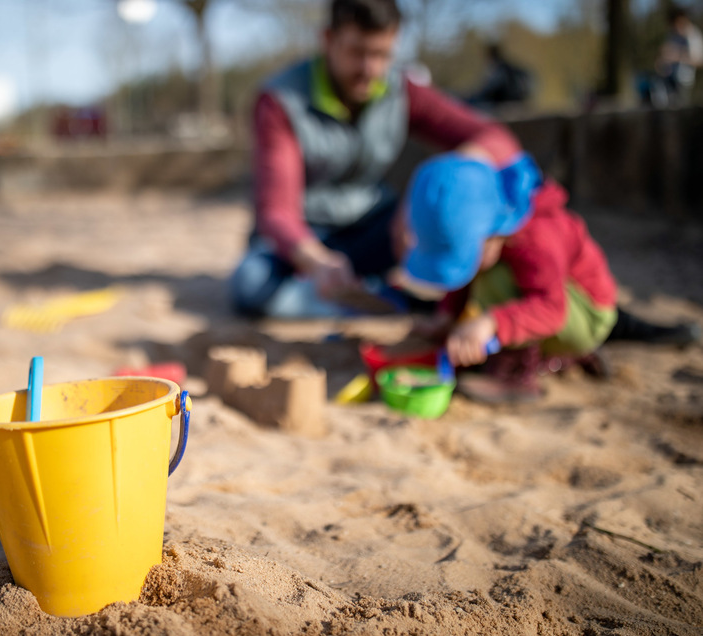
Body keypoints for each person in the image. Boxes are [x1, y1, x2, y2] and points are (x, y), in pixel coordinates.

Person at [230, 0, 522, 318]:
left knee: (442, 230)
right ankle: (375, 297)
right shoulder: (279, 101)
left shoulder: (403, 90)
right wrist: (317, 260)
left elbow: (495, 139)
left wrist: (430, 189)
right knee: (251, 287)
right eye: (357, 53)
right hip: (304, 238)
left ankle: (362, 295)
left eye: (382, 54)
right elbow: (276, 212)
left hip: (373, 227)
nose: (370, 69)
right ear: (328, 39)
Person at [398, 153, 618, 403]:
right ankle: (557, 359)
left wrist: (490, 323)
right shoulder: (495, 231)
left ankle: (515, 376)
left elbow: (552, 308)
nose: (467, 264)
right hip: (555, 310)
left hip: (585, 315)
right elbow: (470, 270)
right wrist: (447, 316)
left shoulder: (536, 237)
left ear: (492, 230)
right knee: (487, 269)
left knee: (495, 276)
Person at [658, 7, 703, 105]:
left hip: (685, 81)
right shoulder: (672, 35)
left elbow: (699, 60)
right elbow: (666, 53)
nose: (677, 26)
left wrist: (677, 56)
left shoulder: (693, 35)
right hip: (669, 79)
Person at [467, 43, 533, 109]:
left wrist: (471, 96)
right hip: (517, 101)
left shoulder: (499, 70)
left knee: (471, 102)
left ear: (490, 55)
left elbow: (488, 90)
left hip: (502, 104)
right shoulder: (511, 68)